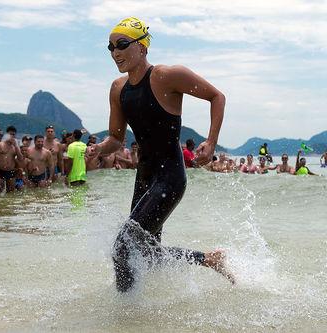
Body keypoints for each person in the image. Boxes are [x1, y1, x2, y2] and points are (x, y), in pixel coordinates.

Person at [87, 17, 233, 292]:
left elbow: (217, 96)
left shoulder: (167, 76)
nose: (115, 52)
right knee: (146, 253)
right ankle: (209, 260)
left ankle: (126, 316)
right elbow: (116, 139)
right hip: (144, 177)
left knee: (123, 248)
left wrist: (211, 142)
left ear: (142, 48)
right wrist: (98, 149)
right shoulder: (118, 89)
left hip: (170, 177)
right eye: (110, 47)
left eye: (121, 44)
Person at [0, 126, 23, 193]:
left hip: (11, 171)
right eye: (10, 134)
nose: (12, 136)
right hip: (0, 171)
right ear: (6, 134)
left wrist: (16, 146)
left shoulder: (15, 147)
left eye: (13, 134)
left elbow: (20, 158)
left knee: (11, 193)